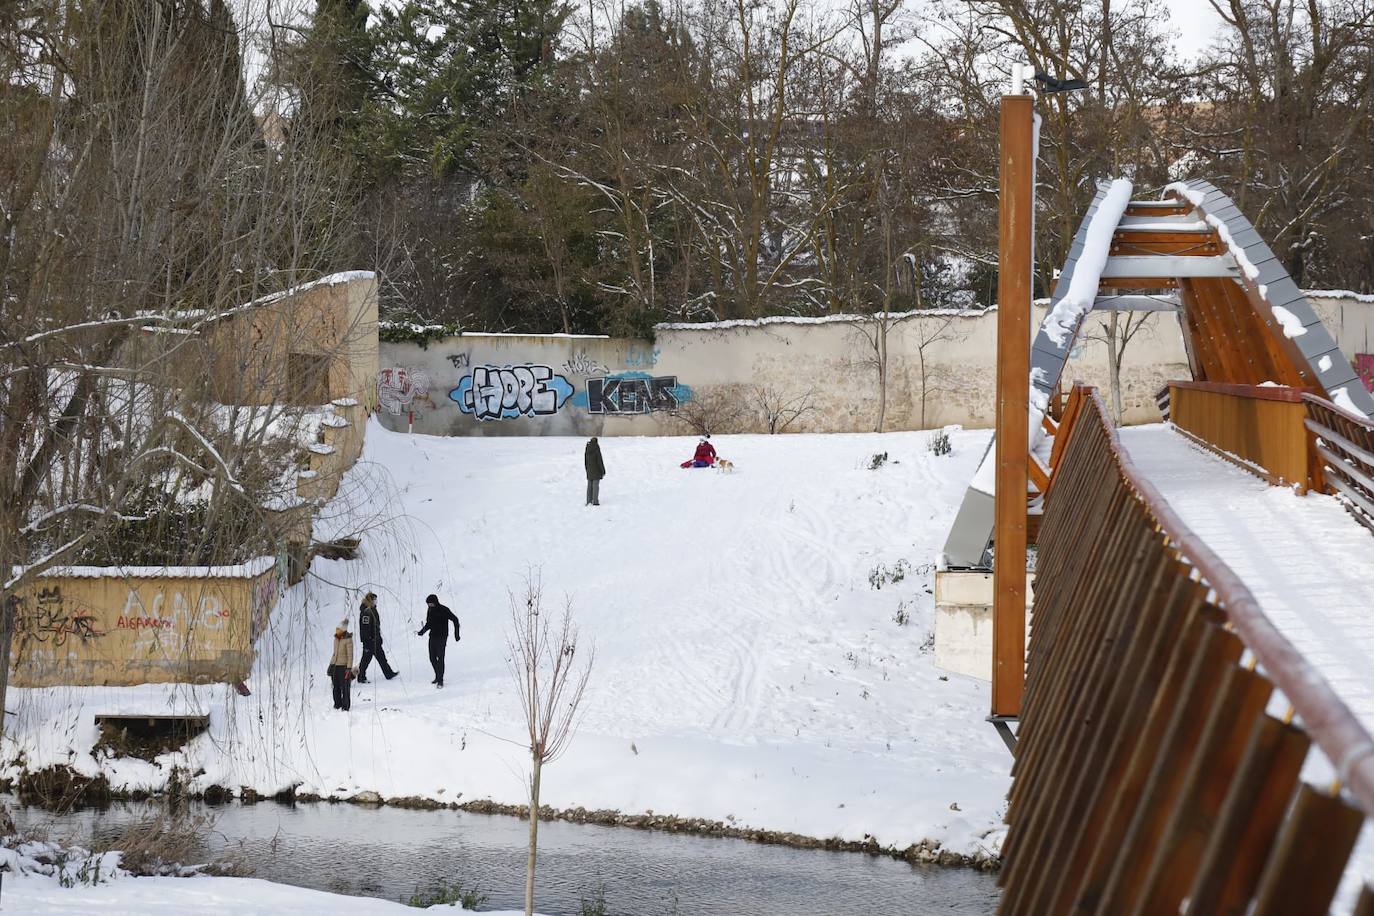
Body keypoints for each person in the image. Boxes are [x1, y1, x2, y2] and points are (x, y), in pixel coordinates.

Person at [417, 593, 461, 688]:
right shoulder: (430, 610)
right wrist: (422, 631)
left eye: (431, 603)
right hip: (432, 636)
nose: (429, 605)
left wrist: (456, 634)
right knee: (432, 658)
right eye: (428, 604)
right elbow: (429, 623)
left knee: (440, 658)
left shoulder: (444, 609)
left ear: (435, 602)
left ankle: (440, 680)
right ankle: (438, 675)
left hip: (442, 637)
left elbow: (455, 619)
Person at [356, 592, 398, 683]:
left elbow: (376, 626)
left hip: (376, 640)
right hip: (369, 641)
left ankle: (389, 674)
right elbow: (365, 628)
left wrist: (378, 638)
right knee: (366, 659)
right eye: (374, 599)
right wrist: (368, 639)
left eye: (376, 599)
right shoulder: (366, 612)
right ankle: (361, 677)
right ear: (370, 600)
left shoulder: (373, 609)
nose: (376, 601)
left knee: (382, 657)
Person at [328, 618, 355, 711]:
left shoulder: (348, 640)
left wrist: (349, 668)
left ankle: (345, 706)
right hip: (335, 666)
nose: (337, 631)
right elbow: (334, 653)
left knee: (345, 687)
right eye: (337, 629)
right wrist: (331, 664)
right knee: (335, 686)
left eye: (339, 629)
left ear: (343, 630)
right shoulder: (336, 639)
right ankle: (337, 704)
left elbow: (350, 655)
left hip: (343, 667)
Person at [585, 437, 605, 506]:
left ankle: (588, 500)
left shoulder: (587, 448)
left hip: (589, 470)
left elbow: (585, 461)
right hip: (596, 470)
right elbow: (599, 461)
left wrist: (587, 469)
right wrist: (603, 471)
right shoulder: (596, 448)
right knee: (595, 486)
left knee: (589, 486)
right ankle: (595, 501)